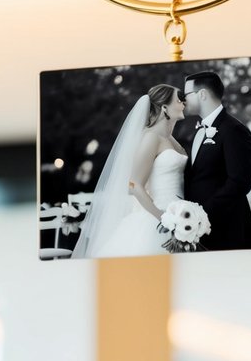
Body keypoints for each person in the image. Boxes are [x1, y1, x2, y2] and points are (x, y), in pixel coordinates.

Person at [71, 85, 188, 259]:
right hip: (156, 220)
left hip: (180, 218)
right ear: (164, 108)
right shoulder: (151, 137)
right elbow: (134, 185)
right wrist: (164, 218)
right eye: (178, 100)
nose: (183, 103)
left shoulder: (170, 139)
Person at [182, 70, 251, 251]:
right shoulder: (200, 130)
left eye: (186, 94)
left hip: (228, 230)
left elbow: (239, 182)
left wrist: (203, 212)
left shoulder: (234, 130)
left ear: (202, 94)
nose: (183, 100)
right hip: (200, 232)